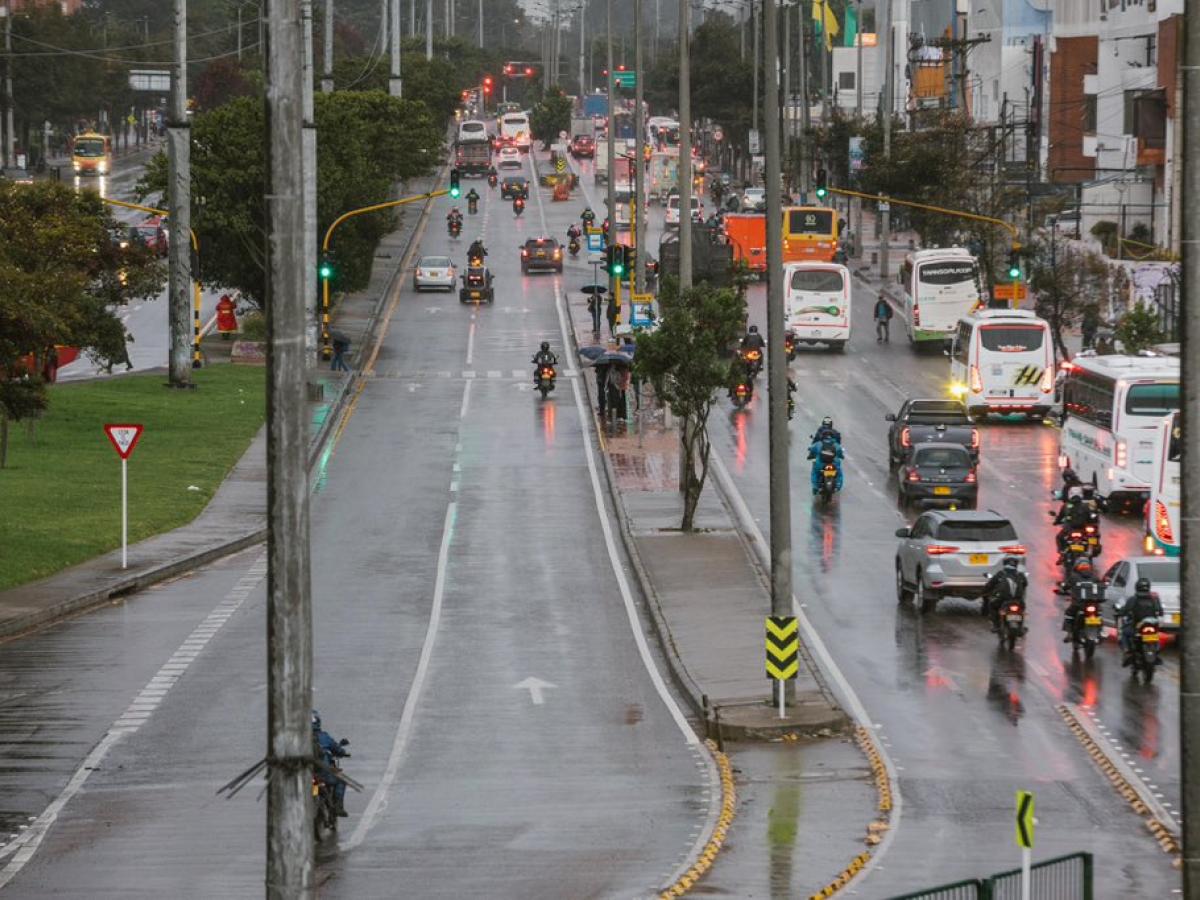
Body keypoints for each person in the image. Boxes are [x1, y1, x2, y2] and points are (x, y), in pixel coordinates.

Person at [1117, 577, 1164, 666]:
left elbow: (1125, 611)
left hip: (1137, 627)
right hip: (1152, 627)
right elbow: (1161, 612)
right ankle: (1156, 652)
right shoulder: (1154, 598)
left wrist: (1120, 612)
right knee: (1155, 635)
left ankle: (1127, 652)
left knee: (1124, 633)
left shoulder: (1133, 599)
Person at [312, 710, 350, 816]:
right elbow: (338, 749)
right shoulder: (324, 737)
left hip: (304, 775)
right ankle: (338, 807)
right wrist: (342, 752)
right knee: (341, 781)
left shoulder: (298, 738)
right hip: (323, 774)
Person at [982, 557, 1028, 632]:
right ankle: (1021, 627)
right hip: (1017, 599)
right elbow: (1025, 584)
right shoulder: (1020, 575)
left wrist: (984, 592)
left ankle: (996, 625)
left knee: (992, 605)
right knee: (1022, 609)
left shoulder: (1000, 574)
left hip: (1002, 599)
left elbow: (990, 585)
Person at [1061, 558, 1102, 643]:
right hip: (1094, 604)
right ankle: (1101, 631)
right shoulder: (1094, 576)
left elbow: (1066, 586)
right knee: (1099, 614)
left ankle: (1069, 634)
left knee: (1069, 614)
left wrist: (1064, 587)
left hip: (1079, 604)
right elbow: (1100, 585)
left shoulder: (1074, 576)